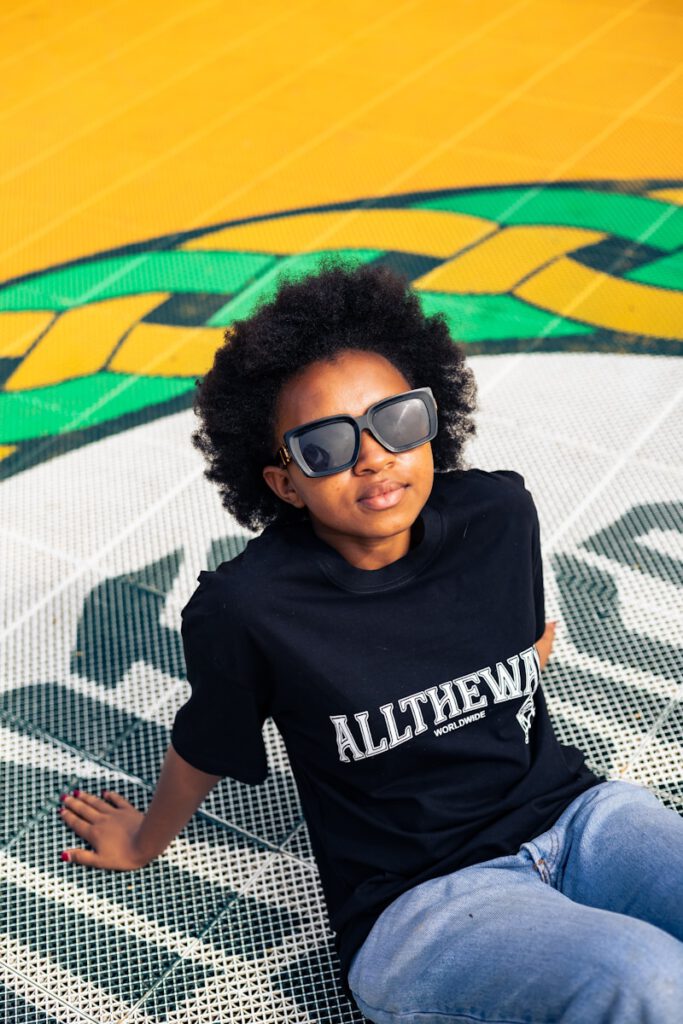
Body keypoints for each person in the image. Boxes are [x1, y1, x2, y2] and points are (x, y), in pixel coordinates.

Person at [58, 258, 683, 1023]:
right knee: (645, 980)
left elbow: (517, 652)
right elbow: (206, 742)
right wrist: (141, 842)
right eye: (324, 446)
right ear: (285, 482)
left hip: (579, 816)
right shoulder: (250, 607)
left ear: (432, 421)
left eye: (397, 419)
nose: (372, 455)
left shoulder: (499, 514)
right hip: (419, 902)